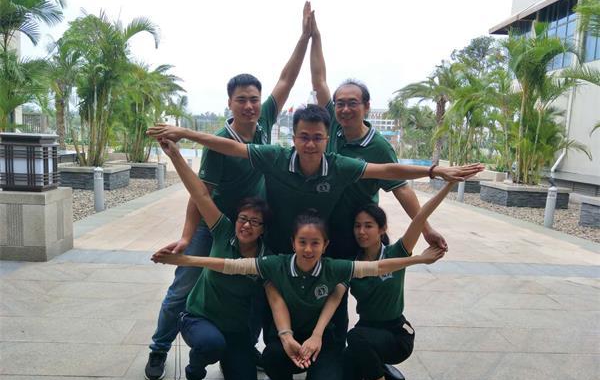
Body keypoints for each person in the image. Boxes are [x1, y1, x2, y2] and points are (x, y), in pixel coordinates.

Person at [144, 2, 315, 380]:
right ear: (230, 103)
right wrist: (187, 237)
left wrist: (304, 37)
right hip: (217, 225)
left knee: (253, 286)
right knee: (184, 285)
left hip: (253, 226)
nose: (250, 105)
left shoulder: (265, 119)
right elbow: (200, 194)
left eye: (254, 98)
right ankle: (159, 347)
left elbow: (286, 79)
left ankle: (244, 346)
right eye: (242, 100)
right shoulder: (219, 142)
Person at [152, 209, 447, 380]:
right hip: (285, 339)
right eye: (302, 242)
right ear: (292, 242)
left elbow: (378, 267)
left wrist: (420, 259)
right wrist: (183, 259)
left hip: (345, 338)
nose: (308, 249)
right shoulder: (276, 264)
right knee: (268, 361)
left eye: (315, 243)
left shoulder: (335, 267)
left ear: (325, 245)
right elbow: (229, 265)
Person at [308, 10, 446, 380]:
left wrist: (428, 230)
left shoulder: (379, 146)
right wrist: (314, 37)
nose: (344, 108)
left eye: (352, 103)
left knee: (374, 294)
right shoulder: (331, 130)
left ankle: (375, 355)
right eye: (340, 103)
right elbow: (319, 80)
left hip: (360, 232)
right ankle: (336, 356)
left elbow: (402, 189)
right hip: (326, 230)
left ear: (366, 107)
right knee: (331, 295)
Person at [147, 105, 483, 257]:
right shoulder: (275, 156)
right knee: (271, 307)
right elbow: (232, 147)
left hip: (318, 249)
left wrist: (433, 171)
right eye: (304, 137)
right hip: (275, 247)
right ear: (293, 137)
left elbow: (387, 171)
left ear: (327, 139)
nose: (310, 144)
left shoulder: (339, 165)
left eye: (318, 138)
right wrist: (185, 134)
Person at [154, 137, 272, 380]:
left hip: (235, 330)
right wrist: (176, 156)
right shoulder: (223, 231)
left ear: (263, 229)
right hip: (201, 320)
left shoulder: (266, 256)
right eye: (243, 219)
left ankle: (231, 360)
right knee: (211, 344)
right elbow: (201, 194)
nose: (246, 226)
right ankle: (194, 374)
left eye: (255, 222)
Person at [341, 181, 457, 380]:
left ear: (382, 229)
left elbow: (420, 217)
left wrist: (449, 184)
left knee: (355, 338)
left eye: (368, 226)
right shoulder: (352, 264)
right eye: (357, 226)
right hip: (368, 330)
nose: (361, 231)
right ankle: (372, 368)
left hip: (396, 335)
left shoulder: (396, 253)